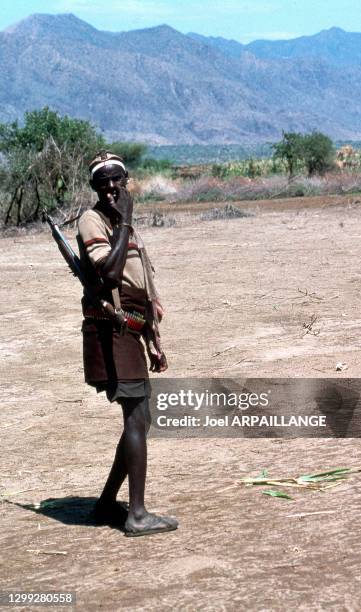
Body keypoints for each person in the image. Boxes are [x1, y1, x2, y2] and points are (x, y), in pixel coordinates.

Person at [77, 150, 178, 537]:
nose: (111, 187)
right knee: (137, 417)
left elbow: (143, 286)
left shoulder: (120, 224)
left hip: (131, 329)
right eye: (102, 181)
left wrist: (153, 339)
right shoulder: (94, 221)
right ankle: (135, 514)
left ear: (126, 180)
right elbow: (111, 272)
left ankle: (106, 505)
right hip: (111, 330)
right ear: (94, 187)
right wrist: (126, 223)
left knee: (140, 418)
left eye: (116, 179)